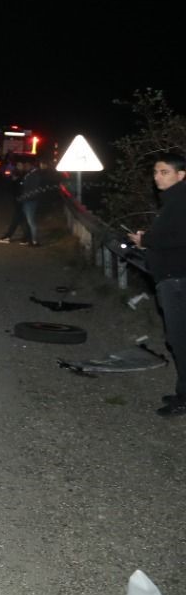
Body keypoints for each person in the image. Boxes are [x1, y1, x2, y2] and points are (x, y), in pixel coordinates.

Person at [126, 152, 186, 417]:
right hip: (172, 278)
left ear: (180, 175)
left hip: (177, 280)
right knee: (178, 339)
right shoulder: (174, 199)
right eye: (155, 173)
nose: (157, 177)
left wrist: (146, 240)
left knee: (179, 340)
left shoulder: (180, 201)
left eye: (164, 172)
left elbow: (175, 237)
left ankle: (184, 399)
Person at [0, 155, 56, 246]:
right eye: (21, 165)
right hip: (24, 200)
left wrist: (23, 197)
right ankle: (26, 238)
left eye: (25, 165)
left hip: (28, 201)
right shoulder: (27, 174)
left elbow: (31, 189)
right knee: (22, 219)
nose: (24, 166)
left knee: (29, 221)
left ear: (31, 165)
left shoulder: (33, 174)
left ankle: (33, 241)